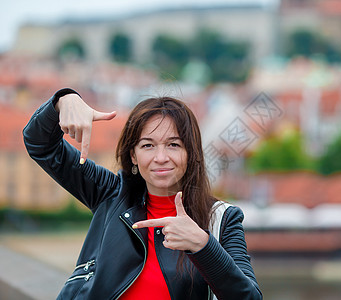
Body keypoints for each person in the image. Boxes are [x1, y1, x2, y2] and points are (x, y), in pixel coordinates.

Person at [23, 88, 263, 300]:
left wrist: (203, 245)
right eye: (148, 145)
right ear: (134, 156)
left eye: (174, 145)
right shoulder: (110, 194)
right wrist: (63, 101)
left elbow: (249, 296)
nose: (161, 158)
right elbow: (39, 144)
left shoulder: (222, 219)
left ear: (191, 153)